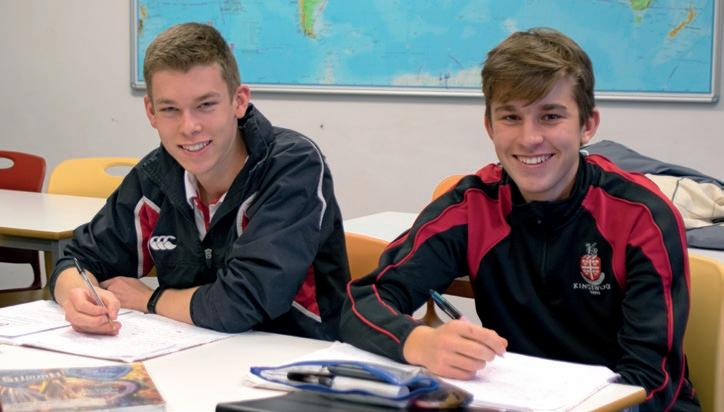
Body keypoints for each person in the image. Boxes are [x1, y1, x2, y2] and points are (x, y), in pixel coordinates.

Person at [340, 28, 699, 411]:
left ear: (588, 125)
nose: (529, 138)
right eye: (511, 117)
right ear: (489, 126)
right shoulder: (473, 205)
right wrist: (417, 341)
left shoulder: (642, 217)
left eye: (550, 116)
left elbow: (650, 384)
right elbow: (363, 302)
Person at [49, 22, 349, 341]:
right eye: (170, 109)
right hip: (192, 352)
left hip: (298, 355)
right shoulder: (156, 175)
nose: (189, 127)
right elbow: (77, 260)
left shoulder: (291, 166)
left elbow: (242, 303)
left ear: (239, 101)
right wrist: (78, 296)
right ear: (151, 112)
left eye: (205, 105)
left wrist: (149, 300)